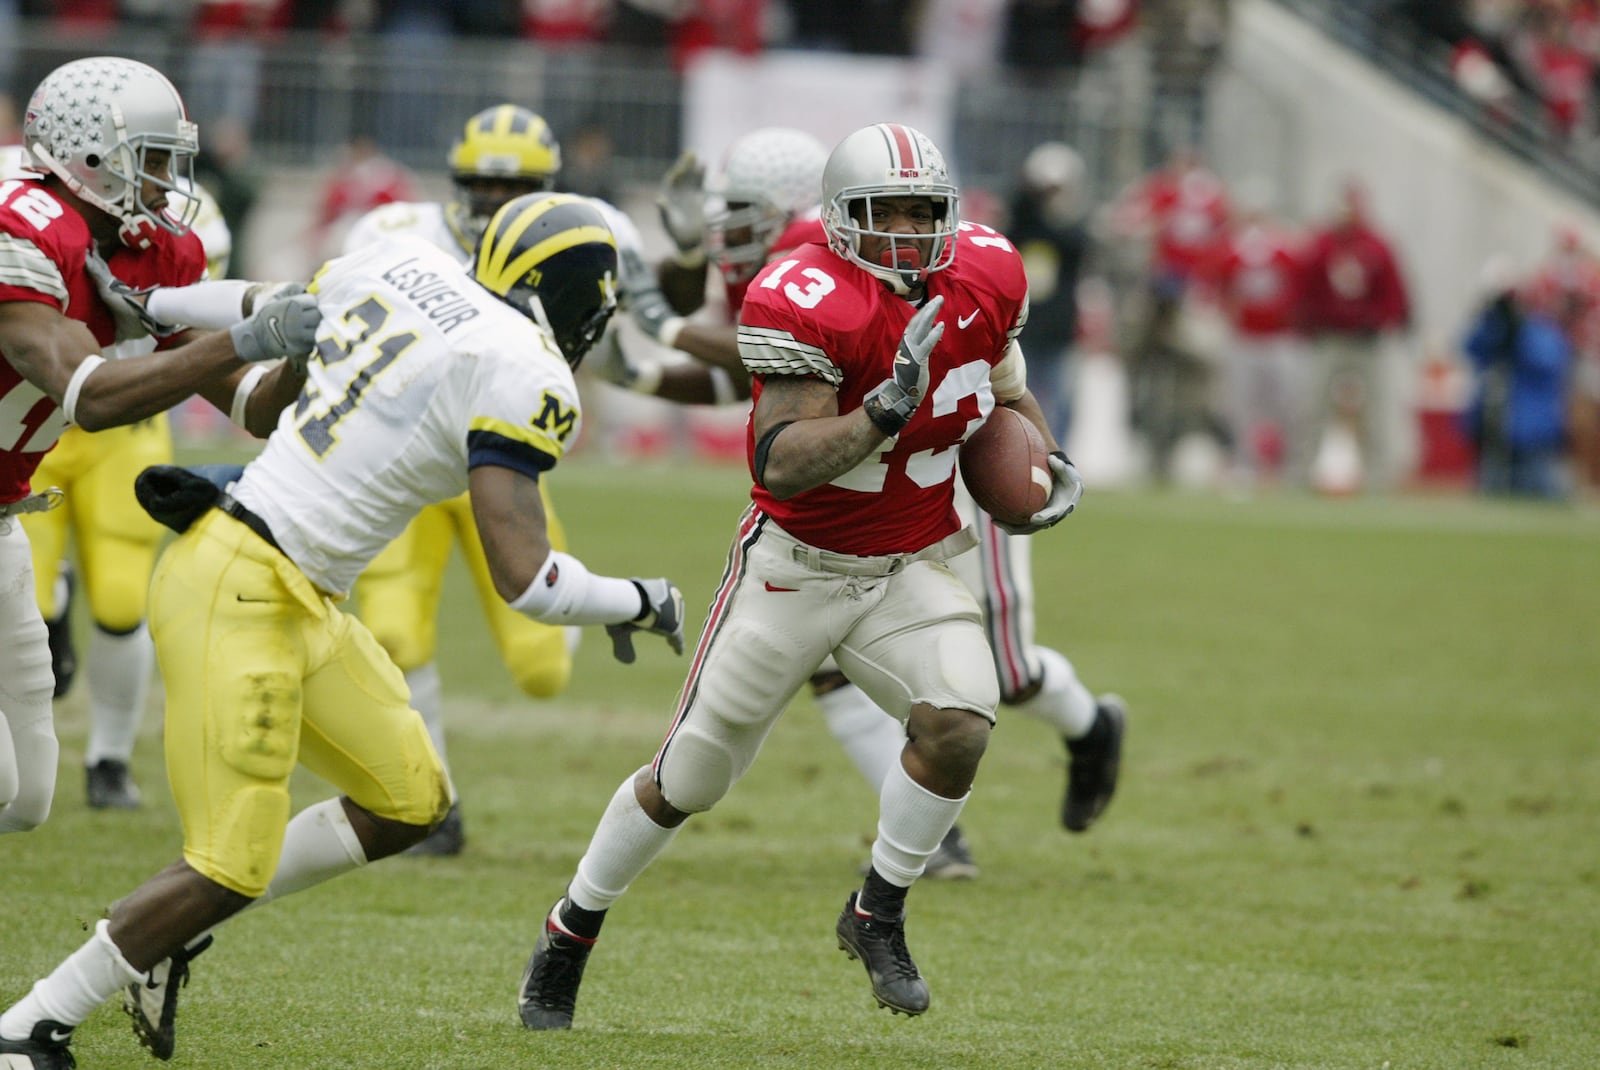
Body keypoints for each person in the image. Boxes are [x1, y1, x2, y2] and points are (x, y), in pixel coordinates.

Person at [0, 191, 687, 1070]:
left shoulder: (404, 264)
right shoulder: (526, 371)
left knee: (409, 800)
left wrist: (160, 304)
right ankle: (33, 1024)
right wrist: (642, 599)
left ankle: (174, 926)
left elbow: (263, 302)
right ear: (585, 302)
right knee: (227, 863)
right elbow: (531, 580)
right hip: (241, 586)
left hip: (294, 588)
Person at [517, 122, 1085, 1030]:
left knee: (961, 724)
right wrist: (880, 413)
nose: (906, 231)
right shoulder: (806, 293)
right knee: (689, 778)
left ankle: (877, 911)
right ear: (838, 220)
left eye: (922, 211)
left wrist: (1045, 464)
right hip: (798, 568)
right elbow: (781, 460)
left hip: (909, 562)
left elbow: (1008, 390)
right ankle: (569, 929)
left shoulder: (987, 272)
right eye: (883, 213)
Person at [602, 126, 1127, 881]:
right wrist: (662, 339)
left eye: (745, 211)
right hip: (865, 496)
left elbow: (997, 374)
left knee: (1006, 677)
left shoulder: (853, 249)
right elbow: (765, 384)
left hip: (953, 465)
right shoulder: (805, 272)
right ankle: (936, 842)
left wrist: (665, 327)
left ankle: (1090, 729)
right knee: (826, 667)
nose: (729, 230)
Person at [0, 56, 315, 840]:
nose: (171, 178)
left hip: (3, 516)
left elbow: (254, 406)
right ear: (89, 153)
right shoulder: (22, 226)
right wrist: (242, 335)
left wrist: (307, 348)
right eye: (156, 156)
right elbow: (93, 398)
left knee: (26, 797)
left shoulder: (153, 250)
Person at [341, 103, 657, 856]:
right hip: (407, 466)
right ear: (456, 181)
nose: (493, 200)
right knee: (393, 631)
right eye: (481, 185)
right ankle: (432, 803)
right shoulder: (397, 237)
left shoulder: (582, 234)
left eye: (513, 185)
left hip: (501, 459)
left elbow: (622, 347)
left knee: (542, 667)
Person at [21, 177, 238, 812]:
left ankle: (109, 759)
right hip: (44, 425)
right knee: (28, 600)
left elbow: (193, 335)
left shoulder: (192, 233)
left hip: (126, 431)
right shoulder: (46, 217)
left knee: (121, 600)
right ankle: (52, 606)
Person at [1291, 178, 1412, 493]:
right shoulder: (1321, 244)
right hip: (1329, 336)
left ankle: (1379, 480)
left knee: (1374, 410)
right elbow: (1304, 288)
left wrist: (1387, 320)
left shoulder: (1377, 246)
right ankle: (1302, 473)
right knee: (1314, 407)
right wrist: (1306, 324)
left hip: (1365, 340)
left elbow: (1394, 292)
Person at [1461, 262, 1572, 500]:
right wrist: (1489, 323)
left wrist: (1520, 333)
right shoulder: (1493, 326)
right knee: (1492, 484)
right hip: (1496, 423)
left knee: (1537, 486)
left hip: (1532, 428)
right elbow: (1470, 349)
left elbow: (1548, 361)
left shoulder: (1539, 327)